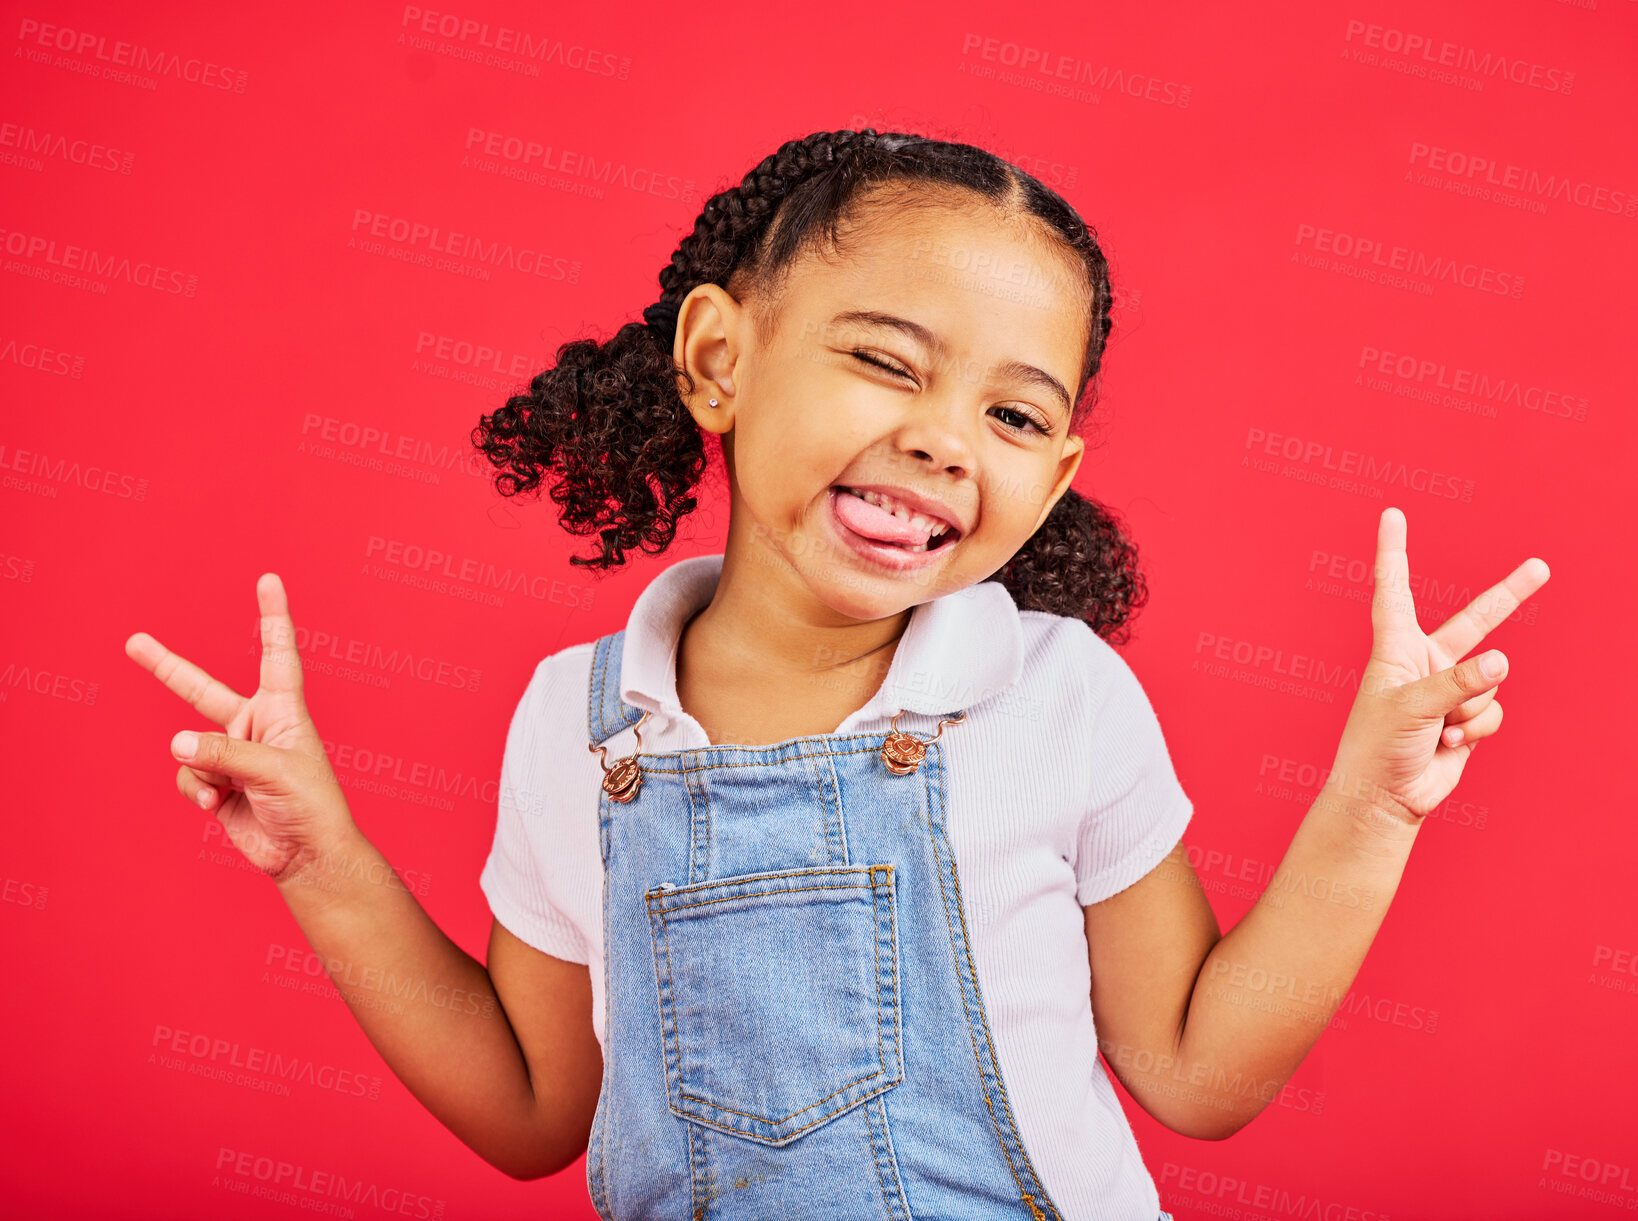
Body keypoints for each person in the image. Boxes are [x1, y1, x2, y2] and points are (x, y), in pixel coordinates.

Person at [125, 128, 1550, 1221]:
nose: (944, 439)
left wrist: (1374, 802)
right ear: (717, 357)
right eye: (885, 360)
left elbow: (1193, 1068)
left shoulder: (1057, 697)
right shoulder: (577, 722)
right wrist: (321, 861)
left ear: (1050, 480)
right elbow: (530, 1106)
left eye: (1009, 412)